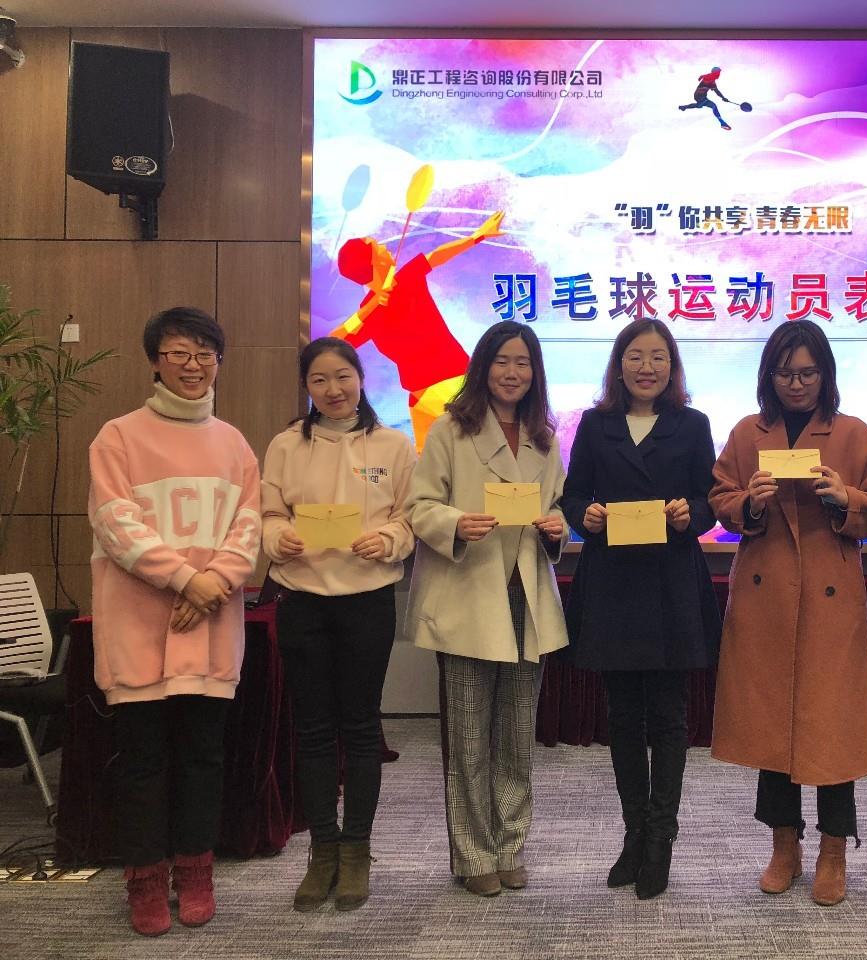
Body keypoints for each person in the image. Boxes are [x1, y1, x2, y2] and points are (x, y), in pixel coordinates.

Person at [709, 319, 867, 907]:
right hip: (765, 597)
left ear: (825, 375)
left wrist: (846, 499)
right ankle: (783, 846)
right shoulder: (747, 432)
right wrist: (749, 503)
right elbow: (720, 497)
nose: (796, 383)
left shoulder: (852, 433)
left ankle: (833, 849)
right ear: (769, 376)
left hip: (828, 599)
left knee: (831, 729)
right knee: (772, 726)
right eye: (785, 373)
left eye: (807, 373)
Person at [87, 307, 261, 936]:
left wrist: (213, 584)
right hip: (138, 625)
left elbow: (248, 526)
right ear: (155, 361)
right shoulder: (118, 437)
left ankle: (195, 870)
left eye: (205, 354)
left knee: (202, 756)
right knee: (142, 760)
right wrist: (190, 580)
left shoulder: (234, 443)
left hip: (210, 627)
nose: (194, 366)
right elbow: (116, 525)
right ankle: (143, 879)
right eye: (179, 353)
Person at [404, 321, 569, 897]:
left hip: (526, 594)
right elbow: (419, 505)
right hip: (469, 590)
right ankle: (474, 855)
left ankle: (510, 846)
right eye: (502, 361)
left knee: (517, 734)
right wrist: (455, 522)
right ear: (483, 366)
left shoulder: (545, 437)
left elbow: (556, 507)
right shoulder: (451, 428)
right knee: (470, 734)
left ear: (535, 372)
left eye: (523, 363)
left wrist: (557, 526)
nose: (512, 373)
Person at [561, 318, 721, 900]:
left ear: (671, 366)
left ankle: (661, 839)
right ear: (619, 364)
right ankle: (633, 834)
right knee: (623, 717)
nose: (646, 367)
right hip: (613, 582)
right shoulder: (595, 424)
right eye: (635, 356)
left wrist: (691, 515)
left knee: (670, 718)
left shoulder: (692, 424)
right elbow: (573, 494)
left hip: (670, 581)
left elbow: (711, 500)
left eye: (657, 357)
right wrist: (584, 515)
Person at [261, 337, 417, 912]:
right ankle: (322, 850)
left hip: (367, 600)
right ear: (307, 386)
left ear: (360, 379)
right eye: (320, 379)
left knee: (361, 727)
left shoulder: (393, 444)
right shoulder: (285, 445)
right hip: (302, 600)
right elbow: (267, 514)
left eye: (343, 376)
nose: (333, 389)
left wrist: (389, 538)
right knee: (312, 730)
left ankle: (356, 851)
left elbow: (409, 517)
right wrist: (278, 537)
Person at [331, 207, 505, 451]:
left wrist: (478, 236)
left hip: (428, 393)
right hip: (444, 387)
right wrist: (371, 306)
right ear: (373, 262)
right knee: (469, 454)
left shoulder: (395, 288)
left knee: (437, 461)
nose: (385, 248)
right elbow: (332, 342)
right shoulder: (379, 303)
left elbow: (436, 256)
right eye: (378, 248)